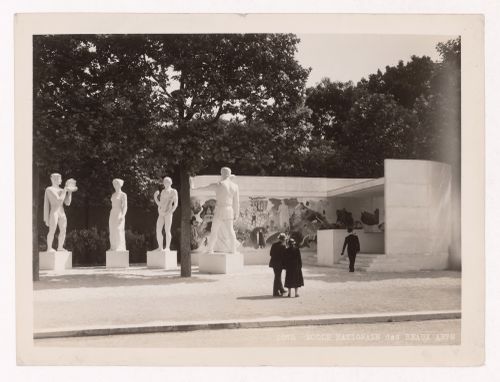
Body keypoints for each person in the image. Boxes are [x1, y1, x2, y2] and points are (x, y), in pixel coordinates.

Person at [190, 167, 239, 254]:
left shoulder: (219, 184)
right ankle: (233, 250)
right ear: (229, 174)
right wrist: (236, 213)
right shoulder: (235, 186)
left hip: (220, 209)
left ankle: (210, 250)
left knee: (214, 230)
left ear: (222, 174)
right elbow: (236, 202)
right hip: (229, 209)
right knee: (230, 230)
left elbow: (205, 188)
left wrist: (193, 188)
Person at [43, 173, 74, 252]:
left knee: (63, 230)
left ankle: (60, 247)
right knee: (52, 230)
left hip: (61, 211)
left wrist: (70, 192)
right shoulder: (49, 189)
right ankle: (49, 247)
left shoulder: (61, 190)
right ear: (54, 179)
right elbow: (59, 201)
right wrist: (65, 190)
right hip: (54, 211)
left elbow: (67, 203)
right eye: (60, 178)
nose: (61, 180)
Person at [153, 176, 178, 251]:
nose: (165, 183)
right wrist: (155, 197)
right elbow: (160, 204)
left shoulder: (173, 191)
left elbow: (175, 203)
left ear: (170, 183)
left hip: (168, 213)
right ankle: (160, 247)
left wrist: (171, 211)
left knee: (167, 230)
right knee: (158, 229)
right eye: (164, 182)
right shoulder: (163, 191)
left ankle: (167, 247)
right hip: (161, 213)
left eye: (167, 181)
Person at [109, 178, 128, 251]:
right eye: (114, 183)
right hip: (112, 212)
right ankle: (113, 246)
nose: (115, 185)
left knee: (118, 229)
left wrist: (123, 215)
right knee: (112, 230)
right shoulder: (113, 195)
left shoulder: (123, 195)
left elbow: (125, 206)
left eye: (116, 183)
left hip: (119, 212)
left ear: (120, 185)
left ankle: (119, 247)